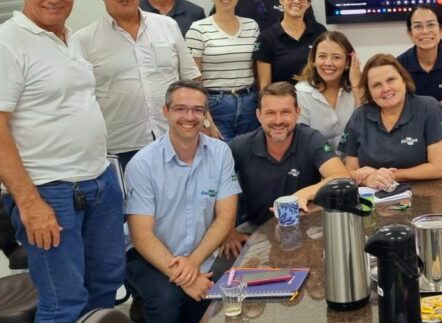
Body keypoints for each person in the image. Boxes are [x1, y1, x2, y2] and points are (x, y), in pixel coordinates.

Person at [0, 0, 124, 321]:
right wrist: (30, 203)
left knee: (105, 285)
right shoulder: (3, 45)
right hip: (49, 192)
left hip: (98, 181)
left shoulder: (68, 38)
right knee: (63, 302)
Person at [124, 81, 240, 323]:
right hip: (147, 255)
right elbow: (141, 235)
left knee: (210, 302)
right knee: (166, 300)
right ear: (165, 111)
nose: (189, 117)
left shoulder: (221, 153)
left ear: (205, 115)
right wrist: (187, 276)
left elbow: (226, 216)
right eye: (180, 109)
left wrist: (193, 264)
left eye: (197, 110)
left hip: (200, 253)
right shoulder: (142, 164)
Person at [74, 0, 204, 170]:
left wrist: (205, 121)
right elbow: (80, 100)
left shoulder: (167, 26)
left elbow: (191, 80)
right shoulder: (84, 40)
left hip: (174, 137)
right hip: (122, 146)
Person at [222, 82, 350, 258]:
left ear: (297, 113)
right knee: (225, 269)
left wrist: (304, 194)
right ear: (259, 115)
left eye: (285, 112)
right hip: (256, 229)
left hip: (307, 226)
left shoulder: (311, 139)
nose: (278, 120)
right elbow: (215, 185)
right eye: (270, 113)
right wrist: (228, 231)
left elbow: (342, 177)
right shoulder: (240, 146)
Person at [340, 54, 442, 190]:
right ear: (369, 91)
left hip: (424, 194)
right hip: (373, 196)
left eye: (391, 80)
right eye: (376, 85)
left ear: (403, 80)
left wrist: (385, 176)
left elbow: (439, 169)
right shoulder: (359, 116)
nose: (386, 89)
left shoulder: (428, 107)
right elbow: (350, 171)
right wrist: (368, 179)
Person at [186, 0, 260, 140]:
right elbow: (193, 79)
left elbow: (257, 69)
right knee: (219, 154)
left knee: (249, 154)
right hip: (216, 106)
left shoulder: (252, 26)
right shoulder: (198, 29)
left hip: (250, 104)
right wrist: (206, 118)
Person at [254, 0, 327, 88]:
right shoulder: (266, 38)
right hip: (282, 98)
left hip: (316, 96)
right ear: (281, 0)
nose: (296, 1)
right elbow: (265, 86)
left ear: (308, 3)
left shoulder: (320, 32)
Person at [295, 31, 362, 150]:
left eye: (336, 57)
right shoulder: (302, 92)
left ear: (348, 62)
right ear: (313, 60)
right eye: (322, 56)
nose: (328, 63)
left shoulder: (357, 88)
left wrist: (356, 84)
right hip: (317, 158)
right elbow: (302, 140)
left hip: (354, 157)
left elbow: (366, 130)